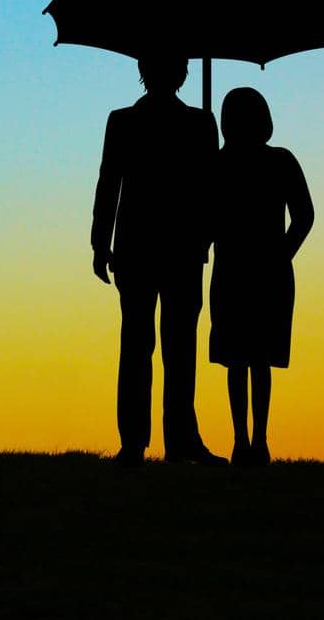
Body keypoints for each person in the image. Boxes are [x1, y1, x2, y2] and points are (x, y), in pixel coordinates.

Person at [91, 54, 224, 465]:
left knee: (144, 344)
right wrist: (100, 243)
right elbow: (111, 181)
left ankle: (148, 441)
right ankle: (164, 440)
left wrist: (100, 243)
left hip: (154, 246)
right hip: (166, 247)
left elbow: (109, 183)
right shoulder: (198, 123)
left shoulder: (133, 121)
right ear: (183, 72)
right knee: (168, 345)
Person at [209, 87, 313, 467]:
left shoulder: (220, 164)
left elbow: (304, 216)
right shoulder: (271, 162)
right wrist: (280, 256)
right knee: (251, 359)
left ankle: (248, 440)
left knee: (245, 358)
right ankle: (253, 440)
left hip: (242, 270)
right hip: (254, 271)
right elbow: (305, 217)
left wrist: (280, 256)